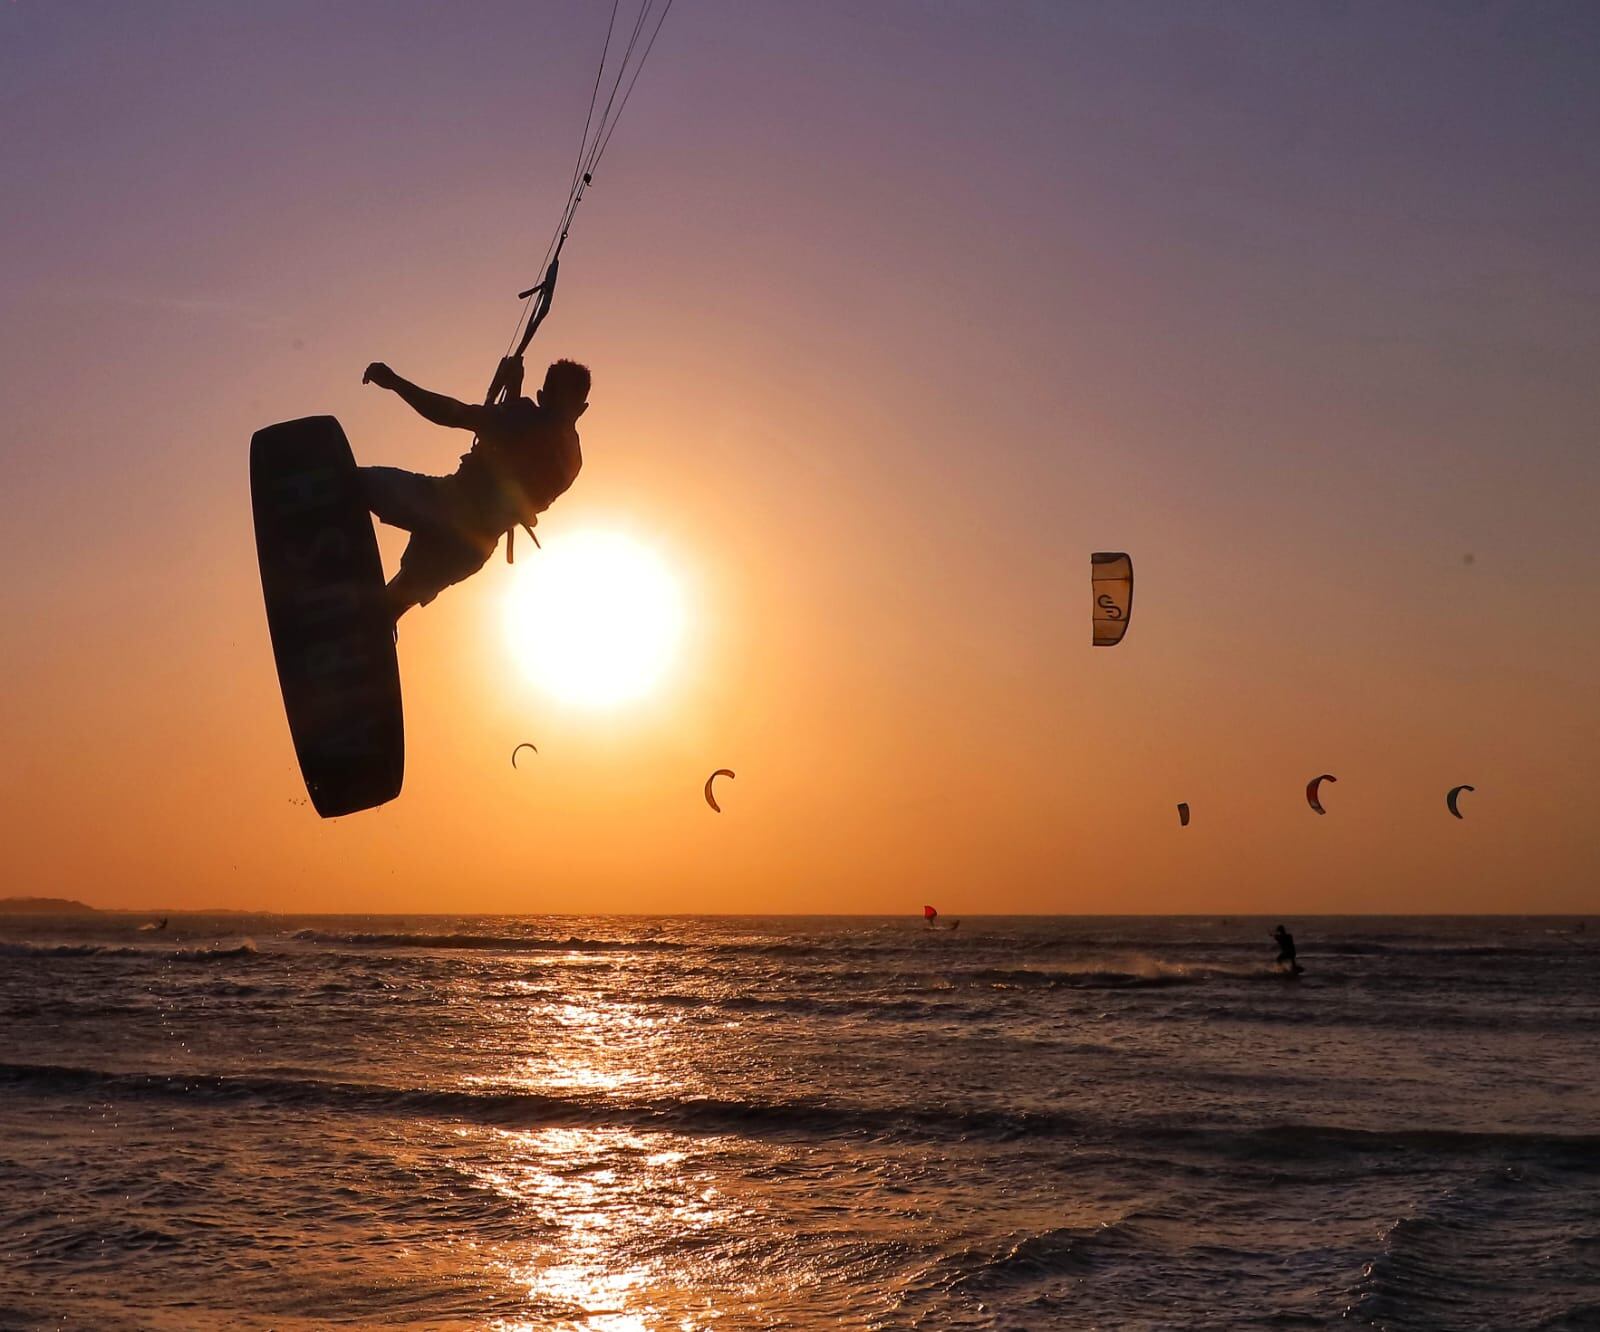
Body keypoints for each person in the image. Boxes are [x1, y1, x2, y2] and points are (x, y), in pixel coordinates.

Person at [357, 357, 590, 618]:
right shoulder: (573, 460)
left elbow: (455, 414)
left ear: (541, 396)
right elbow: (516, 463)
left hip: (442, 505)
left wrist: (395, 383)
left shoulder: (525, 415)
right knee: (390, 606)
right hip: (470, 548)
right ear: (582, 409)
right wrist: (512, 392)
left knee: (355, 483)